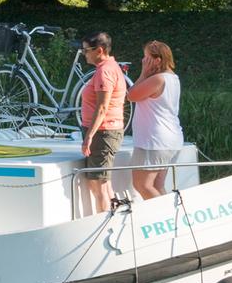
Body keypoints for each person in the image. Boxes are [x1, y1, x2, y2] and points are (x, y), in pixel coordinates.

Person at [77, 32, 129, 215]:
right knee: (99, 183)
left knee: (101, 186)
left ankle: (104, 225)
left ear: (99, 50)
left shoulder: (105, 71)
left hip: (104, 131)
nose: (84, 53)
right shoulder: (109, 67)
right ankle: (110, 218)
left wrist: (89, 136)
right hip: (103, 131)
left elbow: (102, 107)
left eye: (86, 50)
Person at [126, 40, 183, 199]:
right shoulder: (173, 78)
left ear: (157, 60)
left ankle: (163, 219)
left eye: (146, 58)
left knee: (142, 185)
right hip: (170, 139)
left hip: (153, 141)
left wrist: (143, 73)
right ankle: (170, 219)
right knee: (157, 185)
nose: (143, 61)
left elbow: (131, 95)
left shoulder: (157, 79)